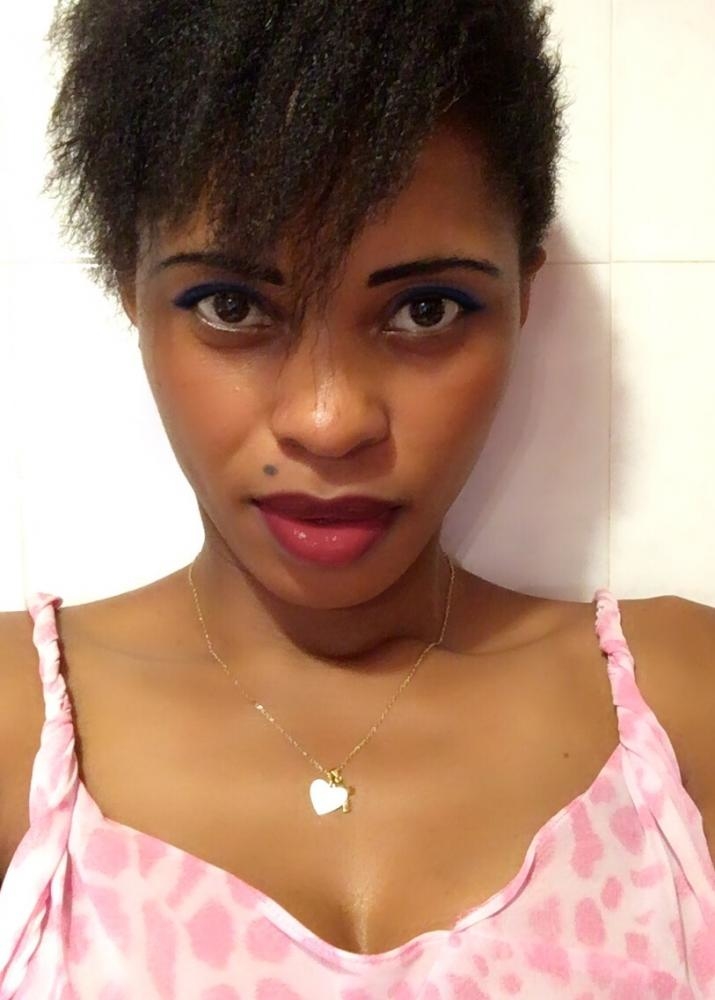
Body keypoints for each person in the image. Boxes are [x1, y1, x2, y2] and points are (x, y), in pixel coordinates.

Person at [1, 0, 714, 996]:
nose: (329, 421)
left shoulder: (680, 705)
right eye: (231, 305)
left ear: (522, 297)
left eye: (427, 309)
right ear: (132, 292)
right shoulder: (18, 723)